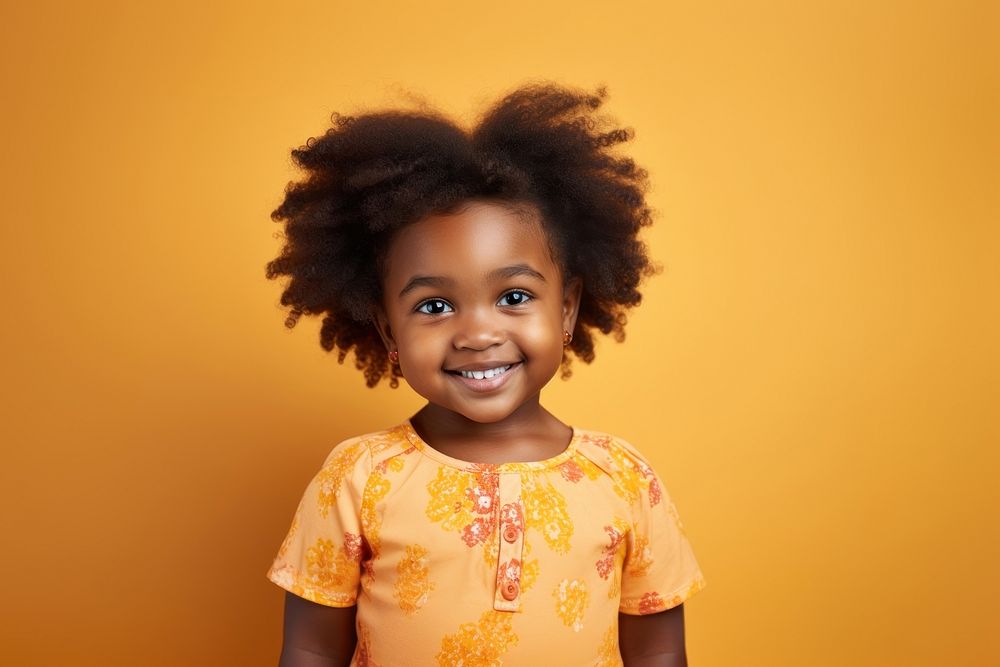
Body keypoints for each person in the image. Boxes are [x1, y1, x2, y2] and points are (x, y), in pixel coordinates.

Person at [264, 83, 707, 666]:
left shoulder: (624, 480)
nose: (477, 334)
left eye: (514, 295)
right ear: (389, 329)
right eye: (434, 306)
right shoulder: (358, 478)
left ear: (567, 309)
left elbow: (658, 656)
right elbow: (311, 650)